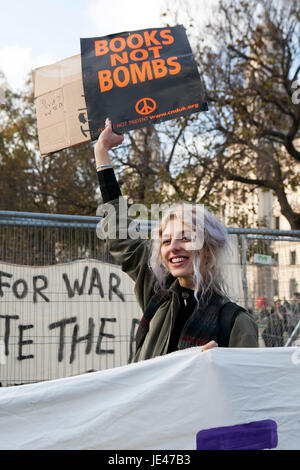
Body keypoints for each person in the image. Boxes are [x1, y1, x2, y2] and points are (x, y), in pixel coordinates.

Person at [94, 119, 258, 362]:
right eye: (166, 240)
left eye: (185, 238)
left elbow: (250, 391)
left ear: (209, 249)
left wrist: (220, 370)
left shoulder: (235, 322)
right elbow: (121, 238)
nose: (174, 247)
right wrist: (102, 153)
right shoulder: (157, 294)